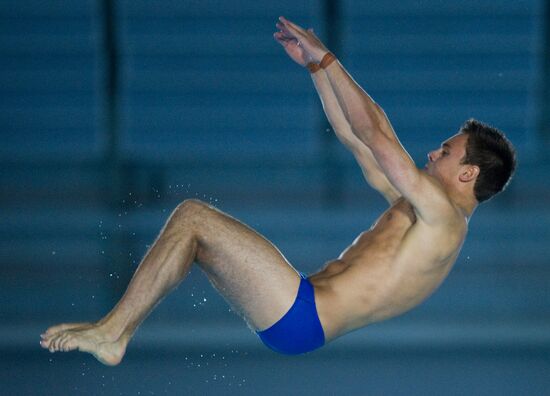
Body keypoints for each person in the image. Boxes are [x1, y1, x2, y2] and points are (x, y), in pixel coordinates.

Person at [40, 16, 516, 365]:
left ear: (468, 174)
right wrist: (316, 70)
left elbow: (378, 135)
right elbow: (358, 140)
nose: (433, 155)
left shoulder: (445, 219)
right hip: (301, 311)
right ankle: (115, 330)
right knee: (193, 234)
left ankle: (113, 333)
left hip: (303, 313)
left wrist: (329, 57)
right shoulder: (422, 212)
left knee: (192, 217)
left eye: (446, 152)